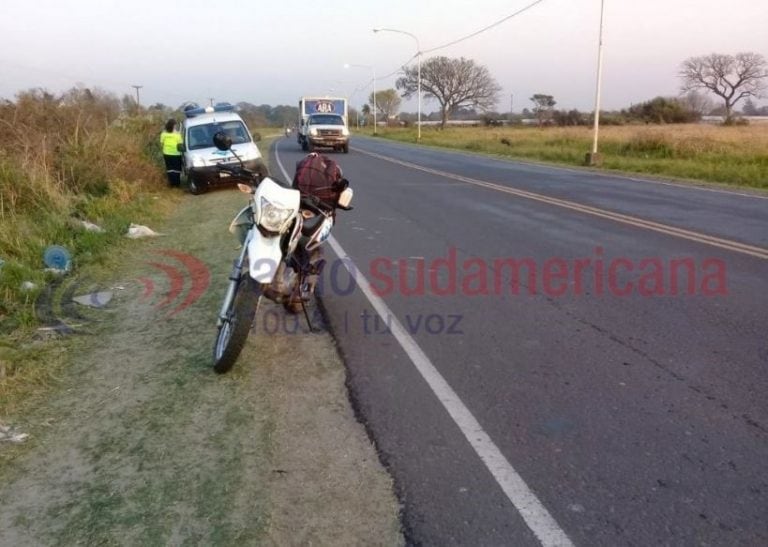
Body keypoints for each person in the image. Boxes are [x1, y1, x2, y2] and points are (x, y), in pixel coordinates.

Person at [159, 118, 183, 187]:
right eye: (175, 125)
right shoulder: (177, 134)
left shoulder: (163, 134)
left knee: (170, 169)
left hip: (167, 153)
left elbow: (161, 143)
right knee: (177, 169)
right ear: (174, 126)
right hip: (176, 153)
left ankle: (172, 183)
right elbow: (180, 143)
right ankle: (177, 183)